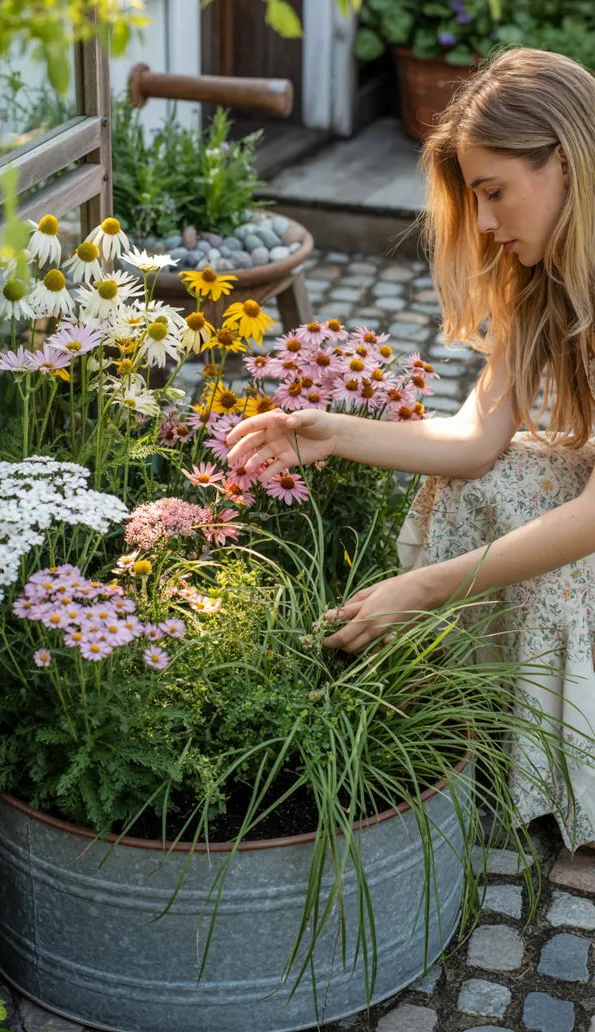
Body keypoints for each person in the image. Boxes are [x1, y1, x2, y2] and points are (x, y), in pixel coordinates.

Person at [225, 47, 595, 851]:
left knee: (560, 552)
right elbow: (474, 439)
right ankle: (490, 731)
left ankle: (574, 772)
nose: (486, 222)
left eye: (494, 191)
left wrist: (424, 587)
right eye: (475, 198)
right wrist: (334, 433)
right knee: (489, 482)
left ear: (563, 161)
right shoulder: (544, 275)